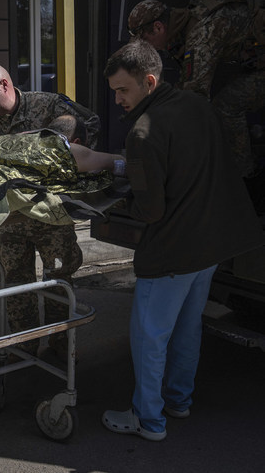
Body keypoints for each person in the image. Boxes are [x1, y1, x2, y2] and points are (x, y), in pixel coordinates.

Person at [101, 40, 263, 441]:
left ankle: (148, 419)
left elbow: (151, 210)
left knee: (149, 336)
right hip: (210, 245)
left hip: (173, 251)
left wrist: (106, 203)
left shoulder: (141, 133)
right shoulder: (197, 105)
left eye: (123, 91)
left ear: (150, 81)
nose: (118, 100)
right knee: (188, 327)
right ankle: (178, 401)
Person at [0, 63, 101, 358]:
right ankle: (23, 349)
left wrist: (57, 151)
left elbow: (90, 123)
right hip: (9, 220)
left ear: (4, 84)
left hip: (51, 217)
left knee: (58, 283)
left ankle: (59, 349)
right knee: (17, 288)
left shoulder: (48, 104)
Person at [127, 0, 265, 180]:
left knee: (227, 105)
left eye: (146, 41)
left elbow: (194, 99)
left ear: (158, 28)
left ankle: (247, 176)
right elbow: (186, 83)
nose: (148, 48)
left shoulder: (202, 34)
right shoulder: (186, 23)